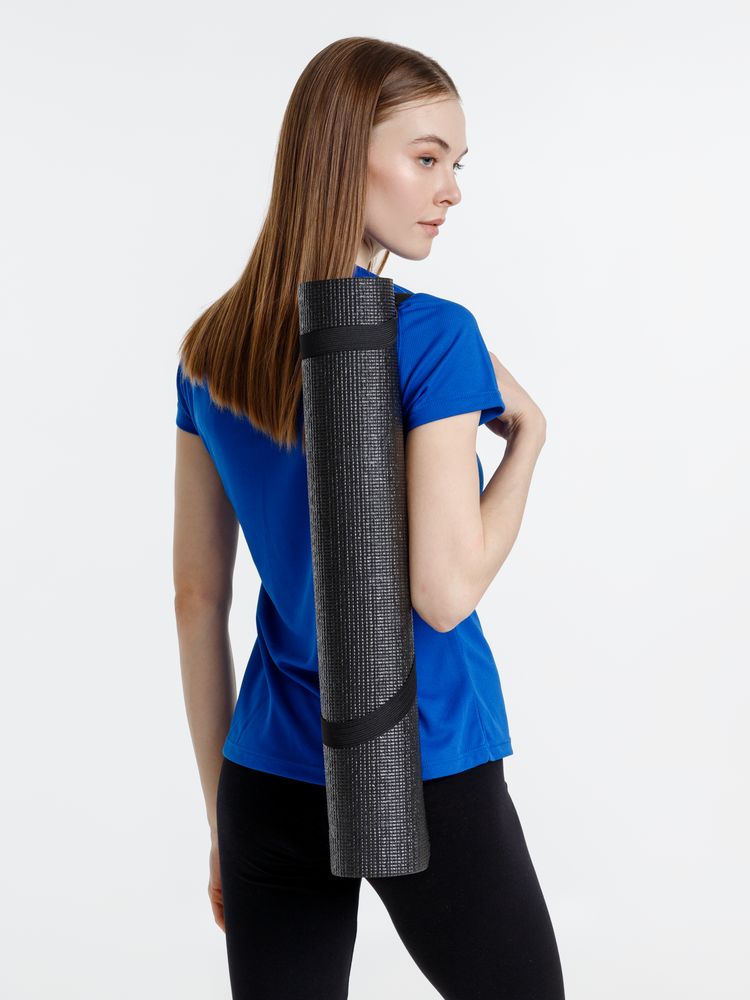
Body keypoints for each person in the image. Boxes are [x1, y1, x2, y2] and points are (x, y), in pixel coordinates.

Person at [173, 36, 565, 1000]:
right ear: (344, 152)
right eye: (426, 158)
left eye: (455, 164)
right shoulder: (432, 335)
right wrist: (529, 441)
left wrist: (223, 814)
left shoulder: (210, 349)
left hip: (266, 776)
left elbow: (195, 598)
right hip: (423, 760)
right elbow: (444, 591)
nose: (451, 190)